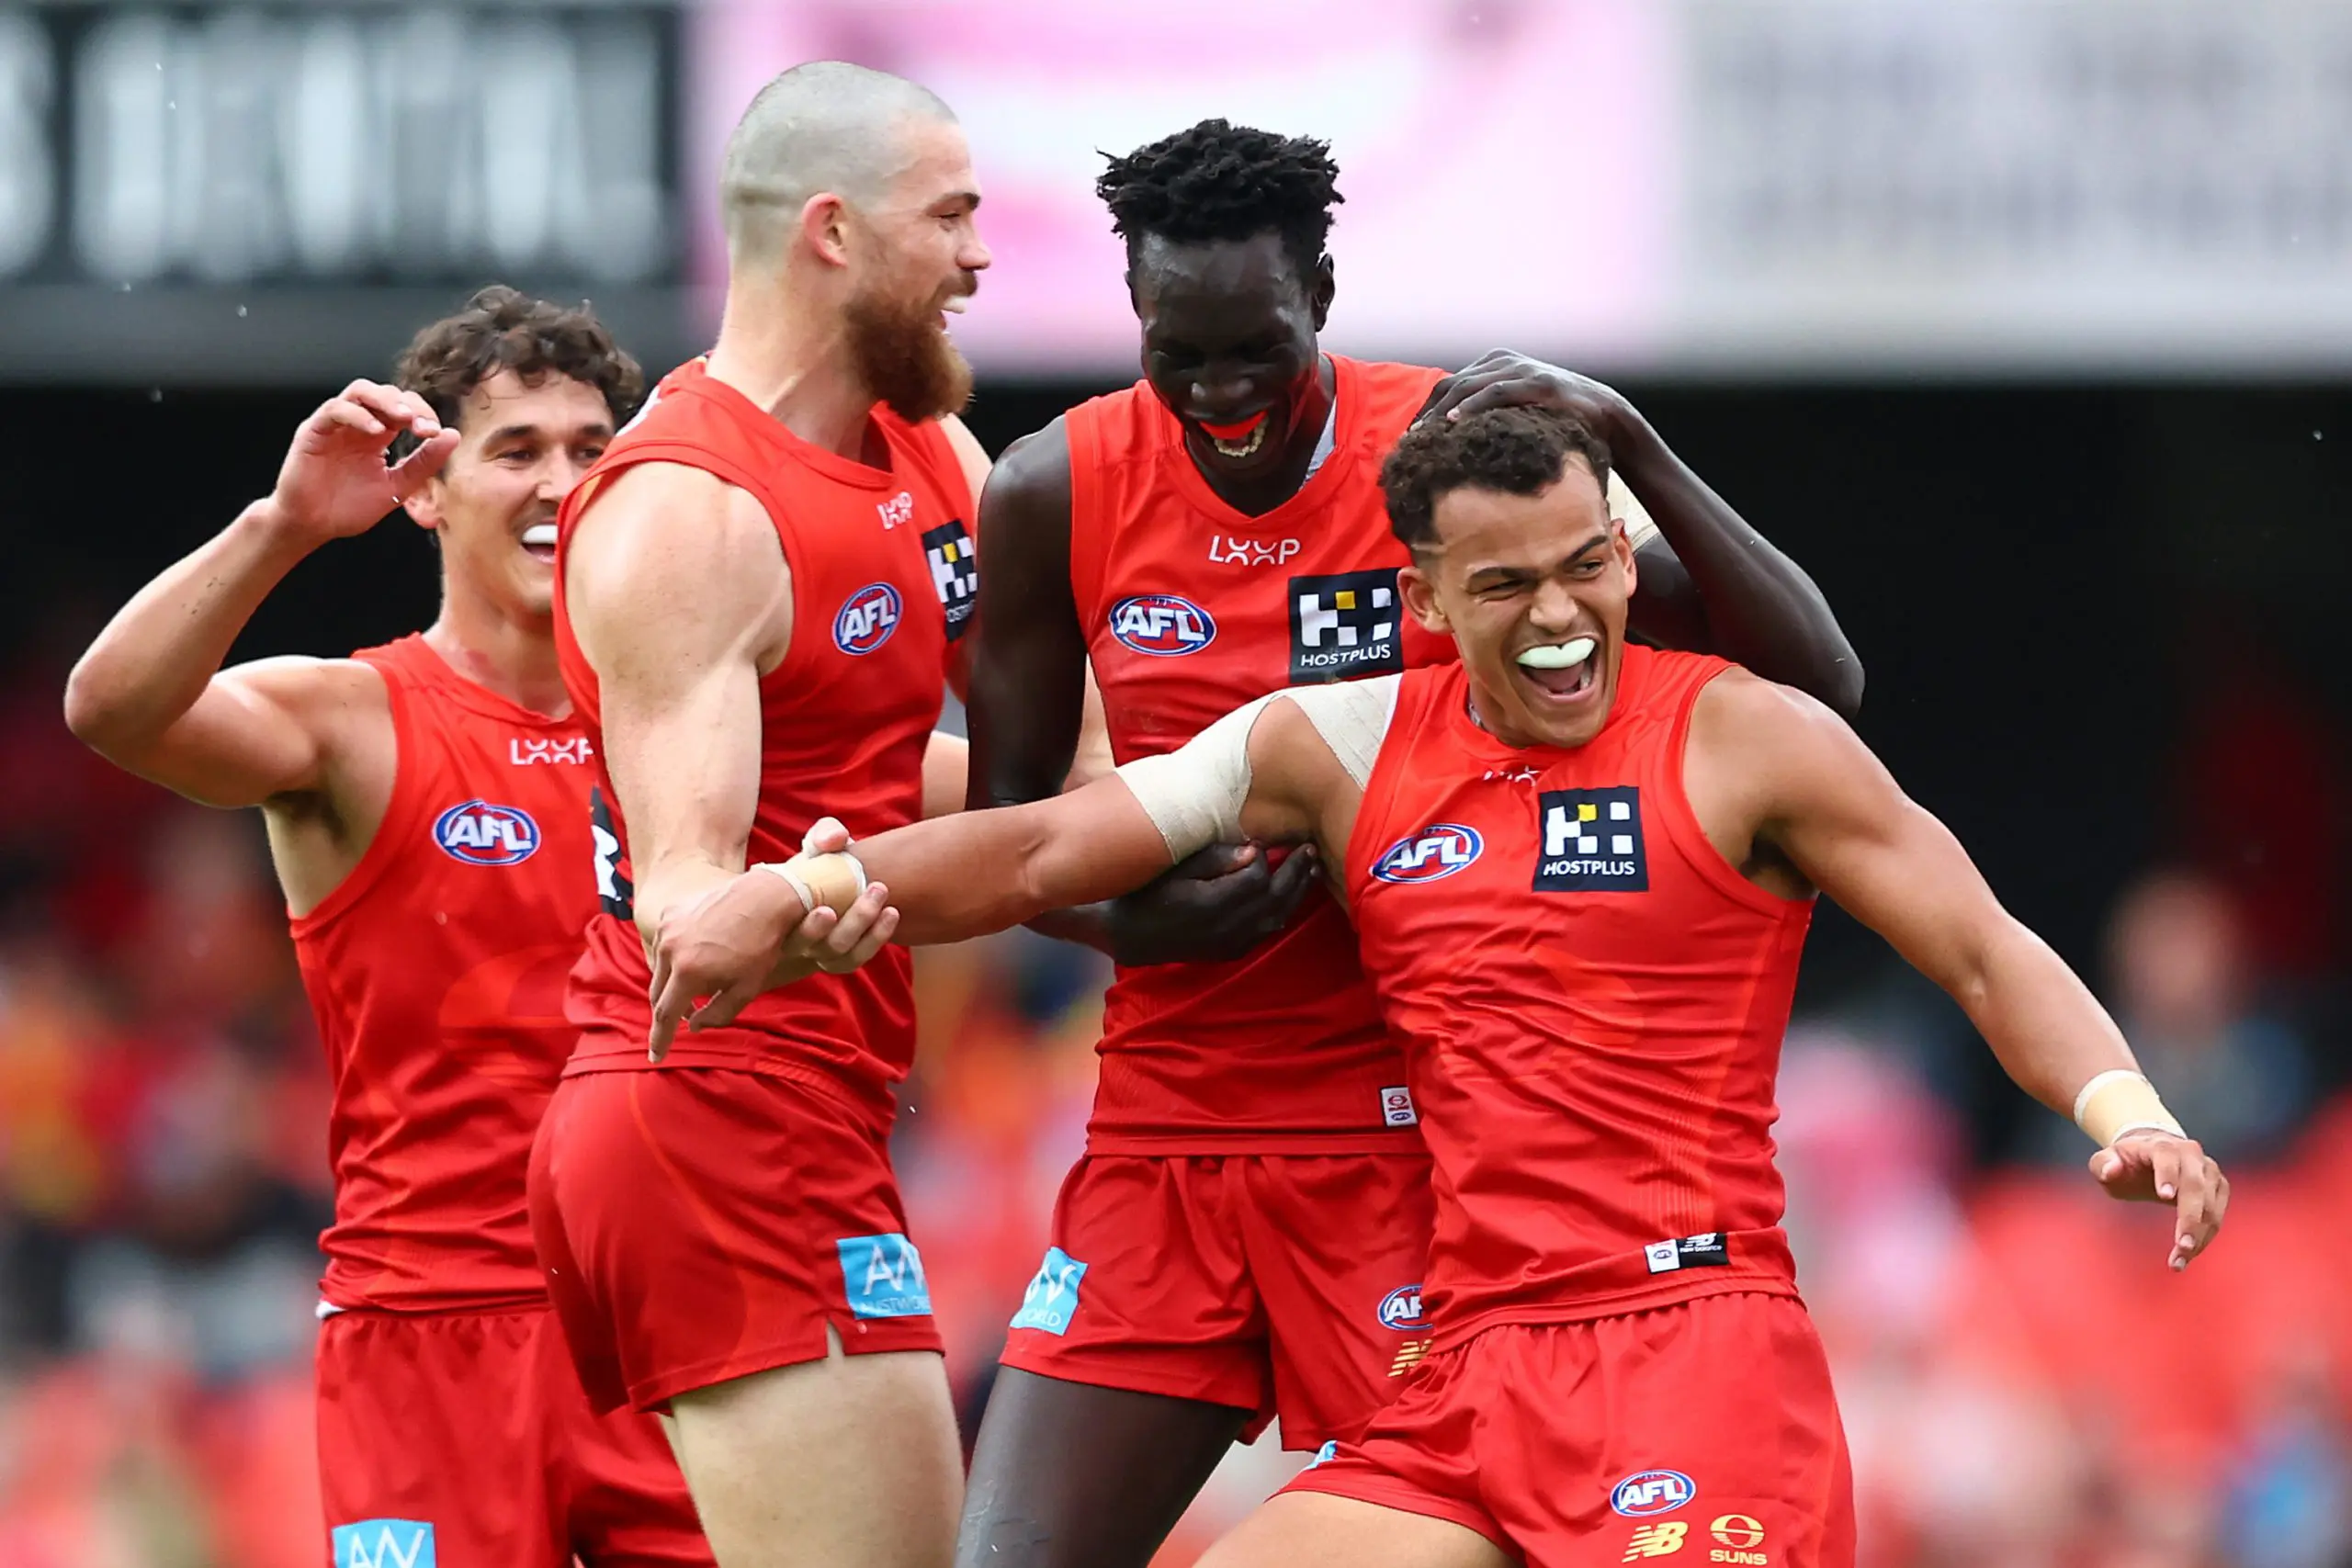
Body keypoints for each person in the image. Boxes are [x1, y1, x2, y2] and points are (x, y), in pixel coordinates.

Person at [651, 403, 2229, 1568]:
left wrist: (2126, 1103)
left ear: (1625, 552)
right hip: (1465, 1381)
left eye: (1585, 566)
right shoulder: (1333, 746)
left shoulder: (1748, 733)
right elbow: (1049, 847)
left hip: (1691, 1348)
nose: (1558, 619)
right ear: (1422, 599)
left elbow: (1981, 942)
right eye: (1504, 587)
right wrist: (798, 891)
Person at [954, 118, 1863, 1567]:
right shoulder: (1052, 489)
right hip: (1166, 1135)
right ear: (1131, 311)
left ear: (1321, 285)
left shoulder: (1454, 463)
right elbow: (1011, 836)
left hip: (1412, 1154)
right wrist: (1145, 927)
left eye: (1254, 343)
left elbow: (1813, 685)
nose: (1219, 392)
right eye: (1176, 352)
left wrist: (1628, 438)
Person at [62, 288, 718, 1566]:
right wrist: (285, 525)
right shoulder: (353, 718)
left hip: (666, 1324)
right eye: (517, 448)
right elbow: (112, 710)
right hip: (430, 1327)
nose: (561, 481)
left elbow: (981, 789)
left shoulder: (699, 723)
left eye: (594, 449)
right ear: (427, 490)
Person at [527, 60, 1027, 1568]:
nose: (981, 256)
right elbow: (690, 893)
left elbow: (1029, 775)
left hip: (807, 1107)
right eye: (950, 217)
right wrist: (818, 896)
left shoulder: (935, 453)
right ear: (832, 232)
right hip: (713, 1111)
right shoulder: (693, 511)